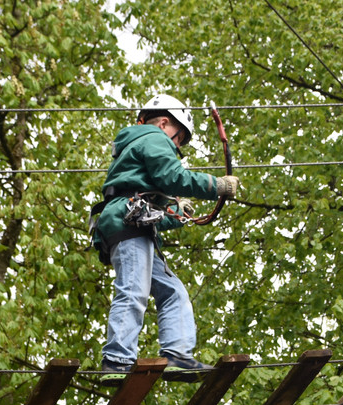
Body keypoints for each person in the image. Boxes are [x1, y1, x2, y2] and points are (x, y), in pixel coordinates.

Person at [91, 94, 239, 386]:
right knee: (133, 289)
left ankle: (177, 356)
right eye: (179, 139)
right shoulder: (153, 137)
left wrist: (175, 213)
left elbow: (151, 201)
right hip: (127, 221)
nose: (177, 146)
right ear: (163, 122)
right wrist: (216, 185)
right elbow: (172, 177)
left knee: (173, 292)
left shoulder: (137, 145)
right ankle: (117, 360)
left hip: (132, 222)